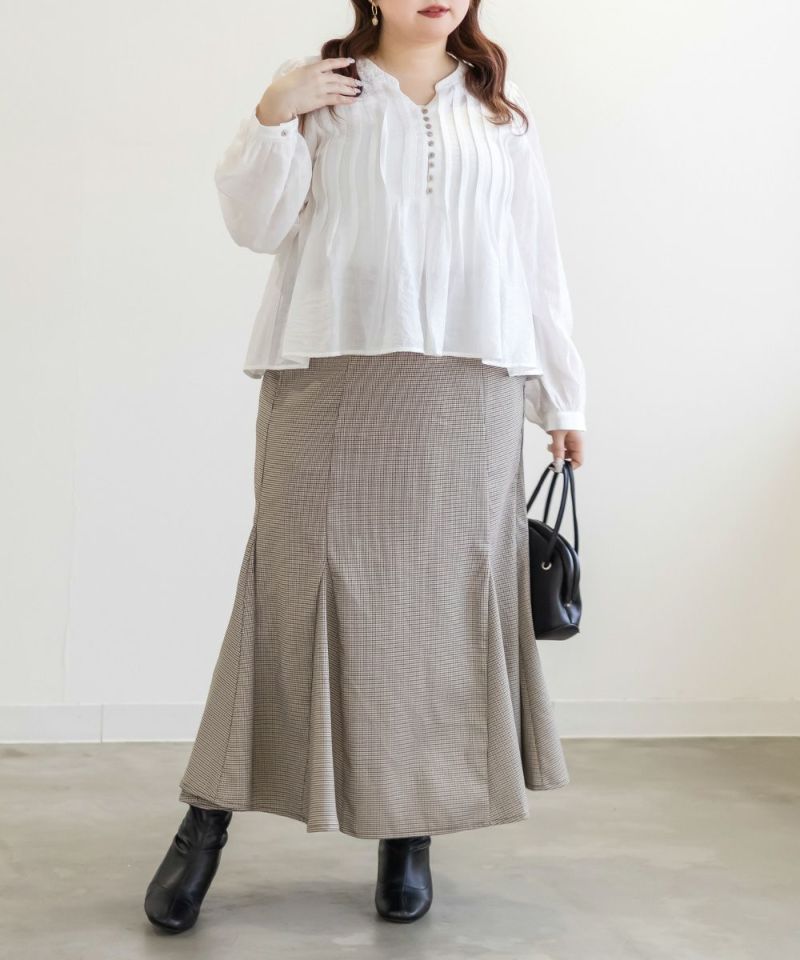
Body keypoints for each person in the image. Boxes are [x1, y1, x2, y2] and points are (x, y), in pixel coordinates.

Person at [144, 0, 586, 933]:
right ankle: (205, 821)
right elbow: (255, 224)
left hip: (471, 384)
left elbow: (534, 260)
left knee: (436, 612)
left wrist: (563, 400)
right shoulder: (323, 92)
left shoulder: (501, 113)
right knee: (288, 593)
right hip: (333, 371)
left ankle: (408, 829)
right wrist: (274, 111)